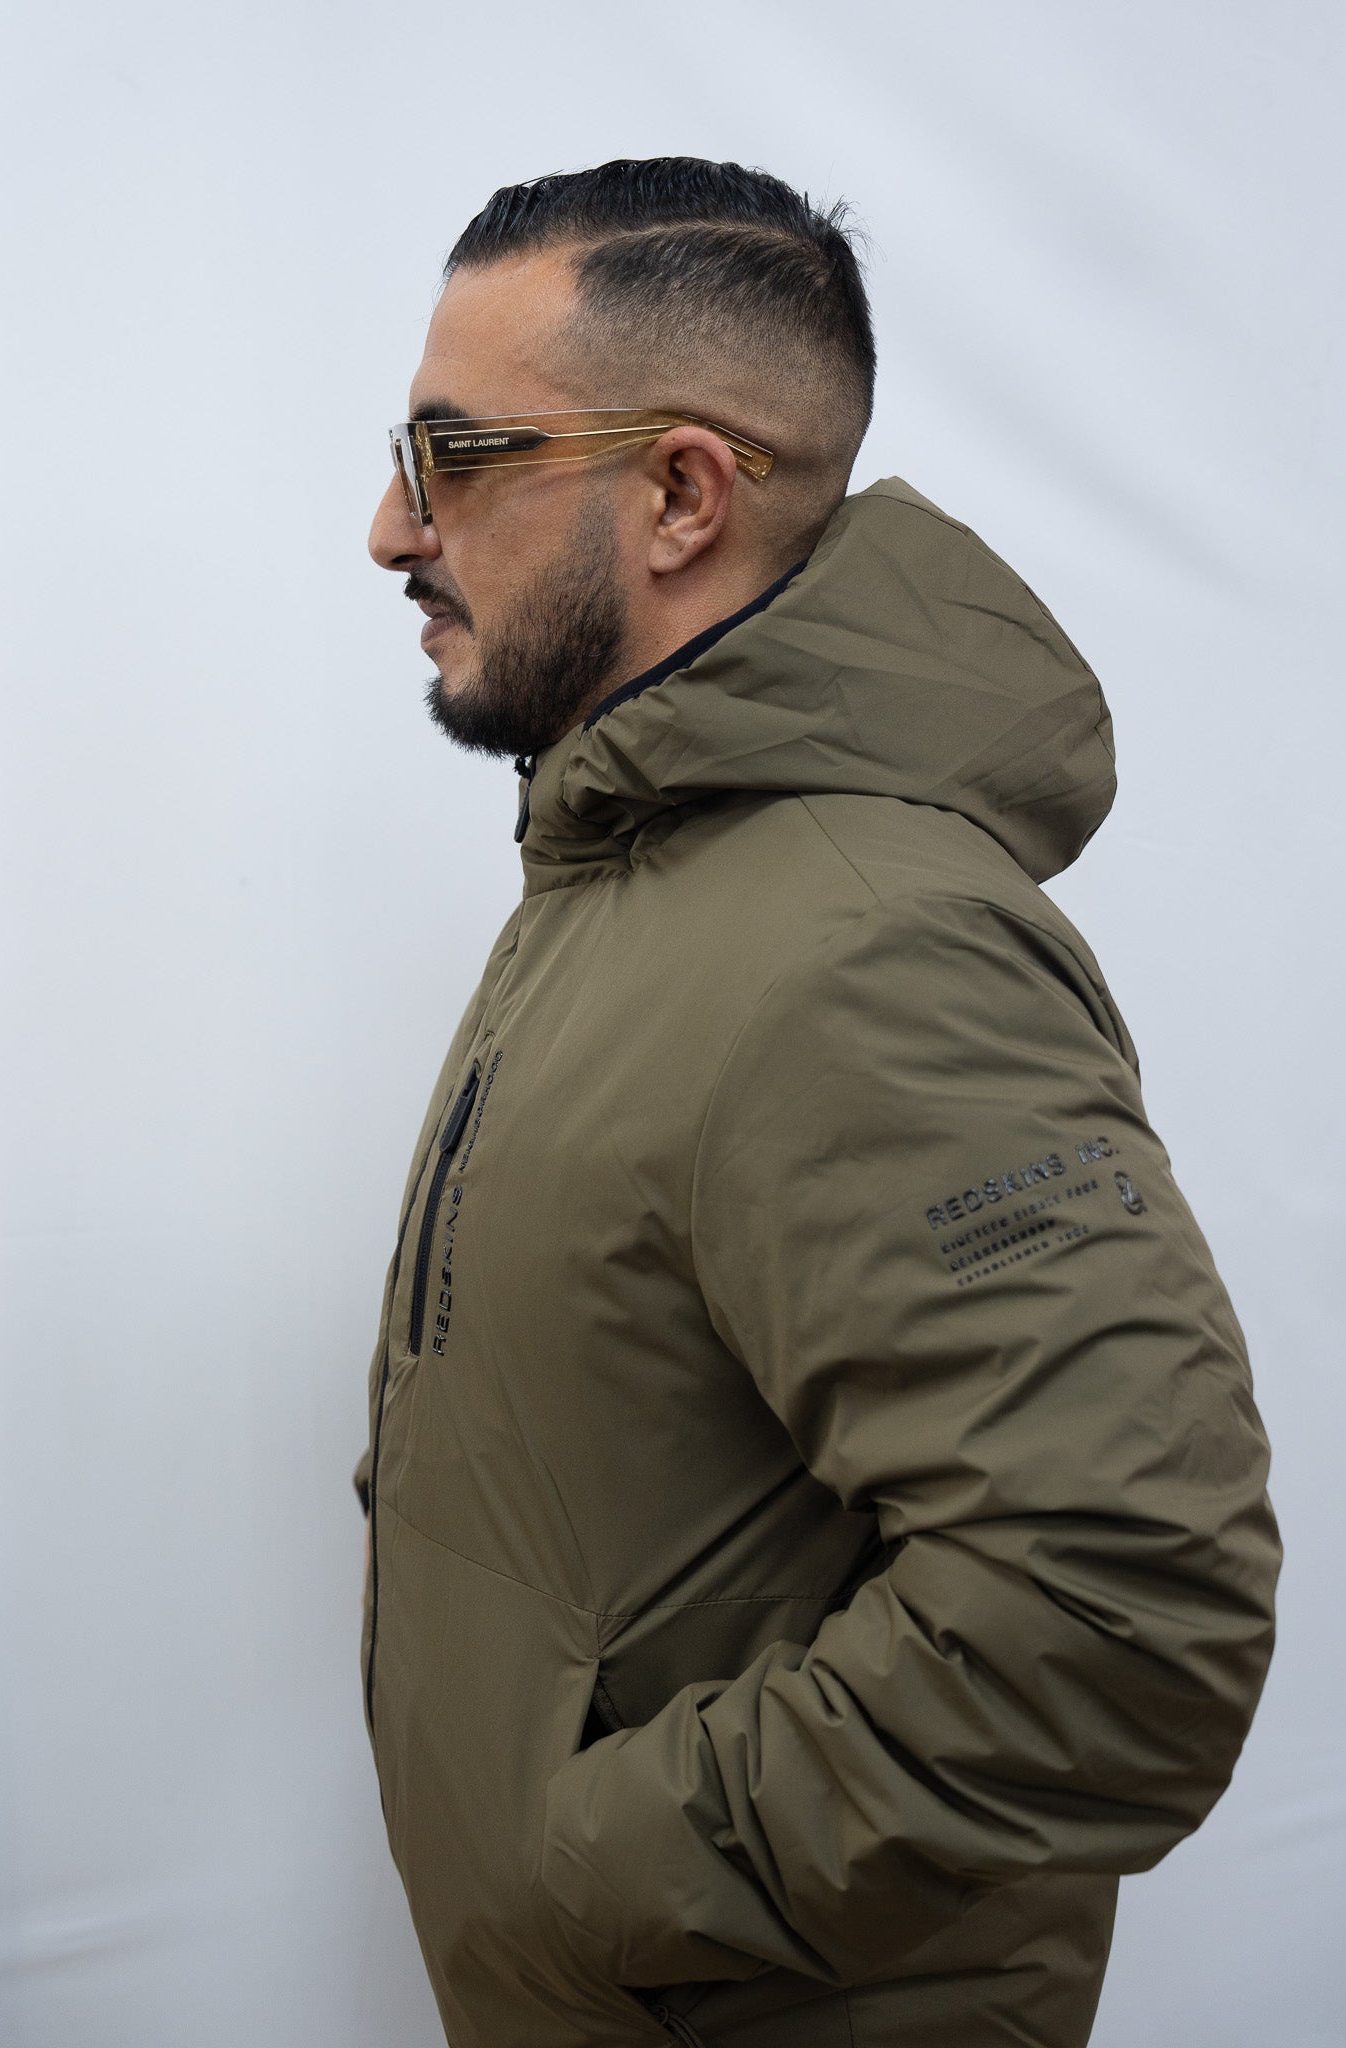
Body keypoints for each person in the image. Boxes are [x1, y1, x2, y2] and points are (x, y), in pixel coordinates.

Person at [355, 157, 1280, 2048]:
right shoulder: (633, 870)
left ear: (681, 494)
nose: (391, 528)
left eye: (452, 456)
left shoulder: (869, 946)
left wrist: (583, 1875)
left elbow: (1121, 1616)